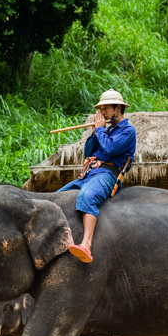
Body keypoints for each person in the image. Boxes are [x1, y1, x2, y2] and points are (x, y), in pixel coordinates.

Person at [57, 89, 136, 263]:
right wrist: (95, 133)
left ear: (117, 108)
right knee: (55, 198)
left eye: (106, 109)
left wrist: (100, 131)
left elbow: (110, 149)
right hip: (88, 174)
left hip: (107, 175)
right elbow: (88, 153)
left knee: (87, 196)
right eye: (101, 109)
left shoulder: (128, 131)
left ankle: (86, 244)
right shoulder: (105, 130)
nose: (102, 113)